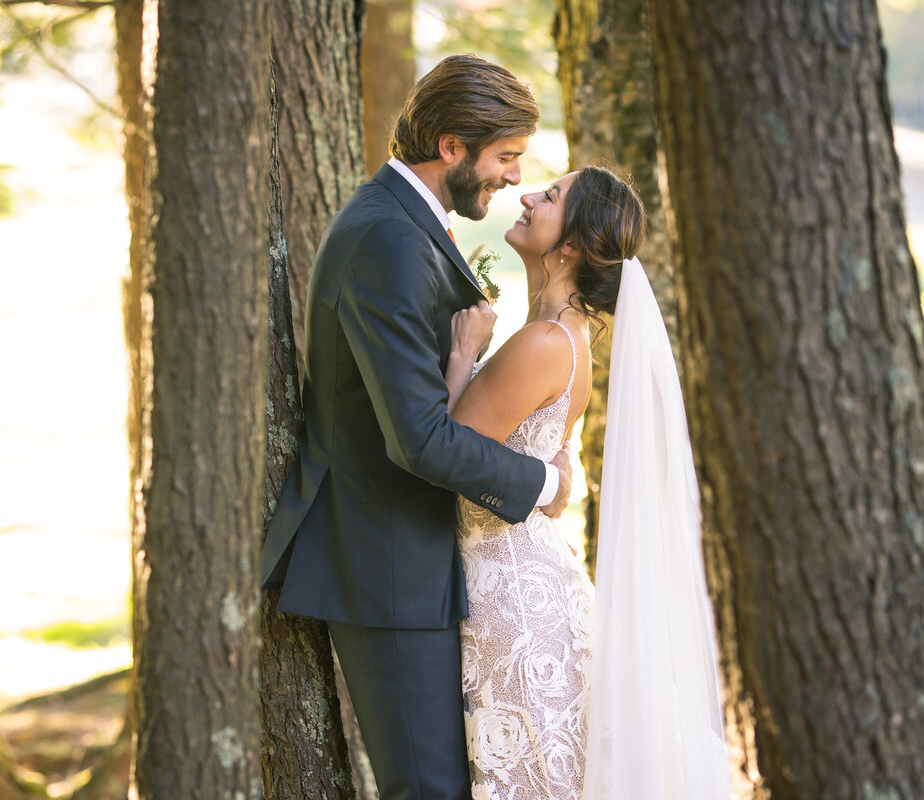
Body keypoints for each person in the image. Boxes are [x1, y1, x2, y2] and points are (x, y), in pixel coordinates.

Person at [260, 55, 574, 800]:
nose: (510, 177)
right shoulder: (389, 241)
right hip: (385, 562)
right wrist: (544, 482)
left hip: (413, 555)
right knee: (428, 790)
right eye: (503, 157)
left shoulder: (408, 226)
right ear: (451, 147)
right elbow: (420, 438)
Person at [446, 166, 732, 799]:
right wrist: (552, 483)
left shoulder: (546, 341)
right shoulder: (563, 337)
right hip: (522, 584)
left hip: (514, 604)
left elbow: (448, 450)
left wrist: (463, 353)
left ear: (571, 245)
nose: (525, 196)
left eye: (548, 197)